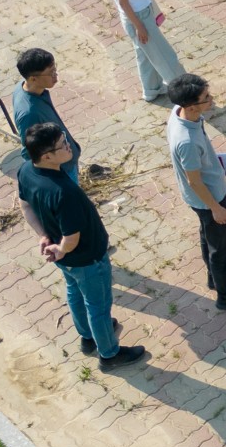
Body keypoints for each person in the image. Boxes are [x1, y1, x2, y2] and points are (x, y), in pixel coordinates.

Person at [16, 122, 146, 368]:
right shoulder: (64, 192)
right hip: (87, 258)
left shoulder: (25, 171)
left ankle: (87, 337)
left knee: (75, 292)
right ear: (47, 156)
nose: (68, 146)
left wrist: (43, 237)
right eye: (63, 144)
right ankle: (109, 354)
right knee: (98, 305)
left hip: (65, 260)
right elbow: (72, 237)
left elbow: (25, 206)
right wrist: (61, 248)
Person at [166, 74, 226, 310]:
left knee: (208, 237)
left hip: (203, 197)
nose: (211, 99)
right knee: (222, 248)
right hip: (208, 198)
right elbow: (194, 181)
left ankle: (215, 276)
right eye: (206, 98)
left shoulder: (180, 112)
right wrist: (215, 208)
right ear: (191, 106)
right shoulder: (186, 141)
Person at [11, 47, 80, 183]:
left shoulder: (25, 87)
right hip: (63, 172)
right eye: (50, 73)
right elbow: (29, 152)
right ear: (33, 78)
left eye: (55, 69)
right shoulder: (29, 113)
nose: (56, 75)